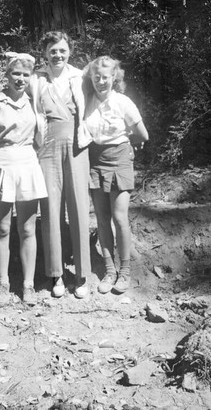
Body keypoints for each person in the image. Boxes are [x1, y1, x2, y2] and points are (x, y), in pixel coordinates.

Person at [0, 52, 48, 307]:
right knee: (2, 227)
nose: (20, 79)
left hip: (27, 165)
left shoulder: (36, 103)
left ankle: (28, 285)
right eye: (15, 73)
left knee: (28, 228)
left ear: (31, 78)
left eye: (25, 75)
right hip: (0, 166)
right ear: (6, 76)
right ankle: (3, 282)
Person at [28, 31, 92, 299]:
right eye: (52, 51)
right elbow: (16, 98)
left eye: (62, 50)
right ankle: (56, 275)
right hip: (47, 145)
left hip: (76, 144)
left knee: (78, 206)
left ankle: (82, 275)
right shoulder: (36, 80)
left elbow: (104, 96)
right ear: (44, 53)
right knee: (51, 208)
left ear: (69, 52)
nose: (58, 55)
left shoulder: (79, 77)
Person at [83, 56, 149, 294]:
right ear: (91, 78)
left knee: (120, 218)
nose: (101, 81)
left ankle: (125, 272)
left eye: (106, 77)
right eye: (96, 77)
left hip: (119, 160)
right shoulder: (87, 101)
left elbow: (143, 134)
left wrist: (130, 144)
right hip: (95, 162)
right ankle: (109, 270)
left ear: (114, 78)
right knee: (101, 218)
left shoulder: (123, 102)